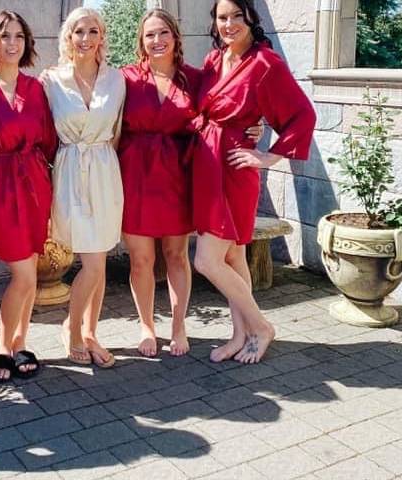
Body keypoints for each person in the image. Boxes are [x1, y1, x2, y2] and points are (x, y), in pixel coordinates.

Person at [119, 8, 261, 358]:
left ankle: (178, 326)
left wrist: (254, 127)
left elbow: (231, 105)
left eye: (163, 33)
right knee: (140, 260)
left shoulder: (196, 79)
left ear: (175, 37)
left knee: (176, 256)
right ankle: (146, 326)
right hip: (134, 176)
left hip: (179, 177)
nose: (157, 41)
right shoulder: (125, 78)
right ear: (141, 40)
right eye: (150, 34)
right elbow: (92, 98)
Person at [191, 0, 316, 364]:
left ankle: (261, 326)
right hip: (208, 165)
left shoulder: (265, 64)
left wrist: (267, 156)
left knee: (207, 261)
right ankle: (239, 334)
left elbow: (301, 114)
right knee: (232, 255)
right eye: (222, 17)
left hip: (234, 169)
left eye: (236, 16)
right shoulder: (215, 60)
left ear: (250, 18)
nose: (229, 24)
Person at [0, 10, 58, 382]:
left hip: (35, 181)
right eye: (5, 36)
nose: (12, 43)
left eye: (19, 36)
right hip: (1, 183)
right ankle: (3, 346)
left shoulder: (35, 88)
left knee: (31, 269)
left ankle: (21, 343)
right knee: (21, 272)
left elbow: (50, 139)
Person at [41, 7, 124, 367]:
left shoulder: (117, 80)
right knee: (90, 262)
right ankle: (72, 329)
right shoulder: (51, 80)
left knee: (99, 257)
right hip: (70, 170)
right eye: (79, 32)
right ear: (68, 37)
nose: (86, 38)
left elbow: (119, 130)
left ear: (102, 36)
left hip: (105, 170)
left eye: (93, 31)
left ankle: (88, 331)